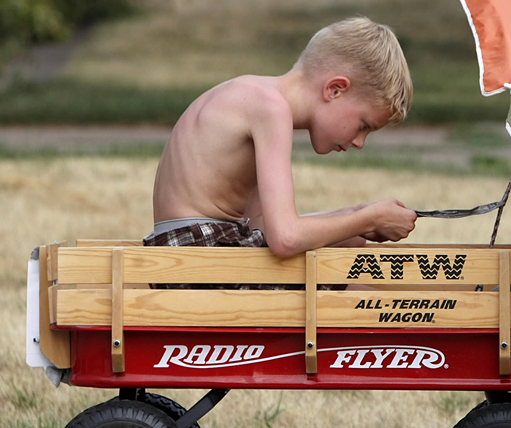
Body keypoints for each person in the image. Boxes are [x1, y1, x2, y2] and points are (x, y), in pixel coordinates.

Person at [144, 17, 417, 259]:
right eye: (363, 125)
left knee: (351, 241)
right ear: (335, 89)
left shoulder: (256, 97)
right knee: (365, 295)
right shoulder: (270, 108)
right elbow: (286, 238)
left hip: (196, 249)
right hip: (198, 256)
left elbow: (261, 226)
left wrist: (356, 216)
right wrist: (368, 219)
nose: (359, 142)